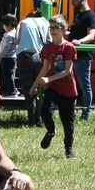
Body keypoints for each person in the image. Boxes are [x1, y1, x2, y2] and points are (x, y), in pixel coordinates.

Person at [36, 15, 78, 156]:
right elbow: (45, 68)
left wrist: (49, 79)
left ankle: (68, 148)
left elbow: (67, 71)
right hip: (53, 88)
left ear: (64, 30)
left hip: (68, 91)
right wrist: (34, 85)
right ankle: (50, 131)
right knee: (45, 112)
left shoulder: (69, 47)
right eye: (51, 28)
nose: (53, 31)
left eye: (56, 28)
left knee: (68, 123)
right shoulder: (47, 47)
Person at [14, 3, 50, 122]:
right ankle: (40, 118)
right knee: (38, 87)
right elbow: (49, 40)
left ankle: (32, 119)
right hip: (40, 56)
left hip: (24, 56)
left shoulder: (23, 22)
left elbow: (16, 40)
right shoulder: (45, 22)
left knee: (28, 89)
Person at [69, 0, 95, 119]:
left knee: (84, 86)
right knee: (71, 85)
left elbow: (91, 36)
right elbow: (72, 34)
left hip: (83, 56)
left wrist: (80, 42)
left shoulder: (91, 16)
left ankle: (86, 114)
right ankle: (72, 112)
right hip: (72, 55)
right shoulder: (78, 16)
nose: (72, 0)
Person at [0, 13, 18, 92]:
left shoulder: (9, 35)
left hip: (8, 57)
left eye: (4, 25)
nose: (3, 27)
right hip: (10, 57)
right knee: (9, 74)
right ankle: (13, 89)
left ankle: (12, 90)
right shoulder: (15, 33)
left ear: (9, 25)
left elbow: (5, 48)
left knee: (7, 75)